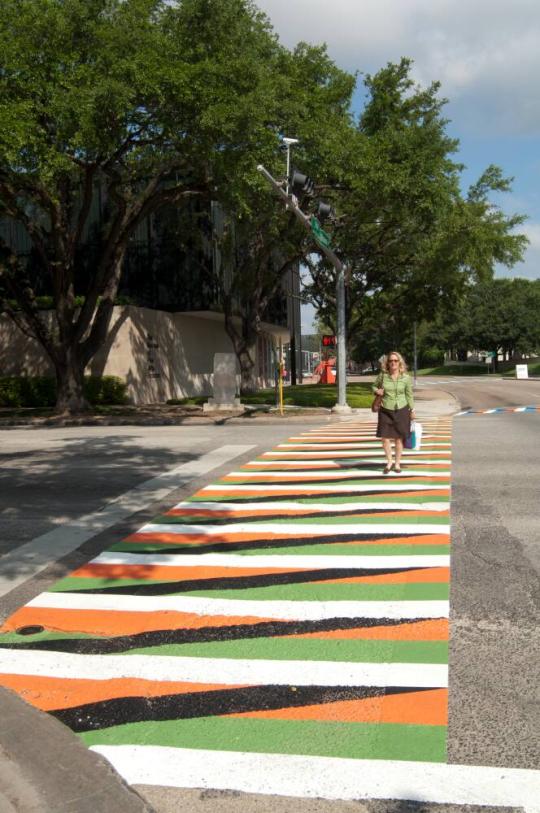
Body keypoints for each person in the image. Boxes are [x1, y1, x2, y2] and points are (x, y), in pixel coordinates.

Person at [372, 351, 415, 474]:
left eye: (395, 361)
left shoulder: (406, 378)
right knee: (385, 437)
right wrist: (377, 391)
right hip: (385, 409)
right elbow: (373, 386)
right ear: (387, 363)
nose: (393, 363)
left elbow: (409, 395)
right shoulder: (383, 376)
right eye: (391, 361)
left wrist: (412, 410)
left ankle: (397, 464)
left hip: (401, 409)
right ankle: (389, 462)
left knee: (398, 438)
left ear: (399, 362)